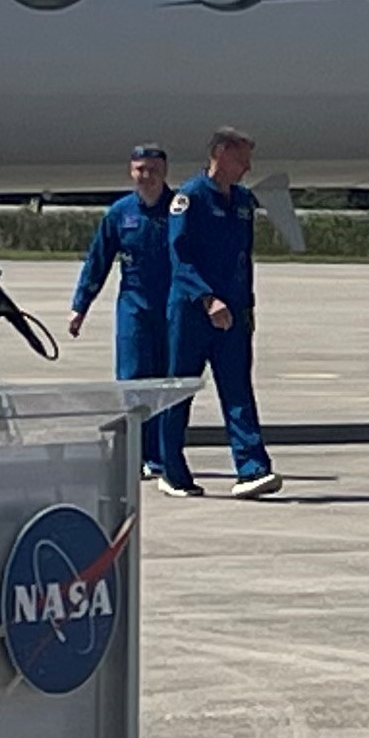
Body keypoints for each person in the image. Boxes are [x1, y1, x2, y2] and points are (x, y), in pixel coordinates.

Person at [170, 126, 295, 500]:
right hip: (194, 313)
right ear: (221, 154)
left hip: (233, 315)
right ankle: (173, 470)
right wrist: (207, 299)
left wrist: (246, 308)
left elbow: (244, 261)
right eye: (242, 158)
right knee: (180, 391)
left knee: (238, 390)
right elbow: (179, 258)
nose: (247, 167)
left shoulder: (242, 201)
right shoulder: (189, 199)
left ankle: (252, 468)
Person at [69, 142, 195, 493]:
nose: (147, 176)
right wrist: (81, 305)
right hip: (134, 308)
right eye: (140, 169)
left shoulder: (181, 209)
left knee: (167, 384)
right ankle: (134, 454)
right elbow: (98, 260)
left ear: (165, 171)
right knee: (133, 382)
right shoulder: (120, 213)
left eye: (153, 169)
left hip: (173, 307)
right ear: (131, 171)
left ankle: (161, 457)